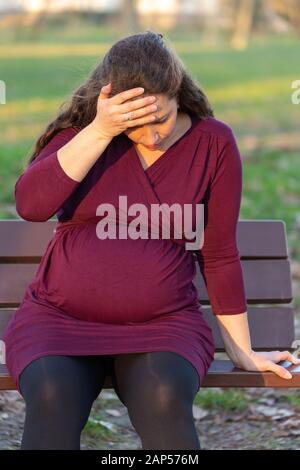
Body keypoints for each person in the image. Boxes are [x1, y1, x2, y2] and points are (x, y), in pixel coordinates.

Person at [3, 31, 300, 451]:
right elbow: (31, 205)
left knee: (163, 397)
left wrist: (242, 351)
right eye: (135, 124)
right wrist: (102, 130)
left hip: (163, 326)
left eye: (159, 119)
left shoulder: (212, 142)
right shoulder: (83, 137)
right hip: (58, 322)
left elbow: (217, 252)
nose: (153, 135)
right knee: (51, 394)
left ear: (178, 95)